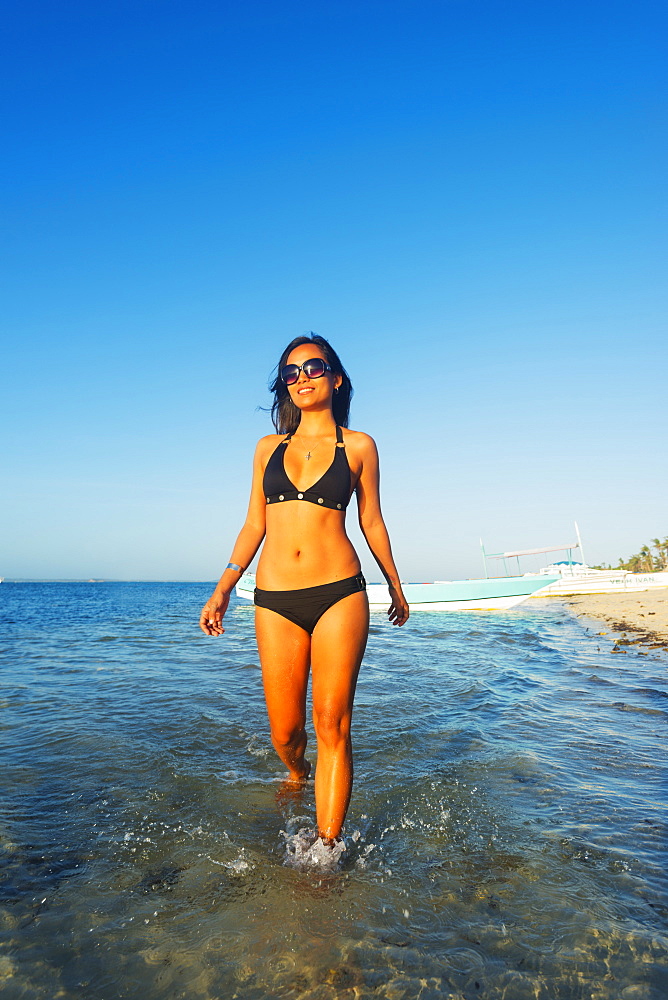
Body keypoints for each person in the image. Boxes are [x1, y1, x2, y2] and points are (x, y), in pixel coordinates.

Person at [200, 335, 408, 848]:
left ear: (336, 378)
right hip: (274, 599)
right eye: (290, 373)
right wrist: (225, 584)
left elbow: (373, 522)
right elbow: (254, 524)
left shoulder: (358, 445)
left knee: (332, 723)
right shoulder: (267, 448)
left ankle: (326, 851)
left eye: (313, 367)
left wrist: (395, 585)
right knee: (286, 733)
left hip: (340, 592)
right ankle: (297, 773)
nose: (302, 379)